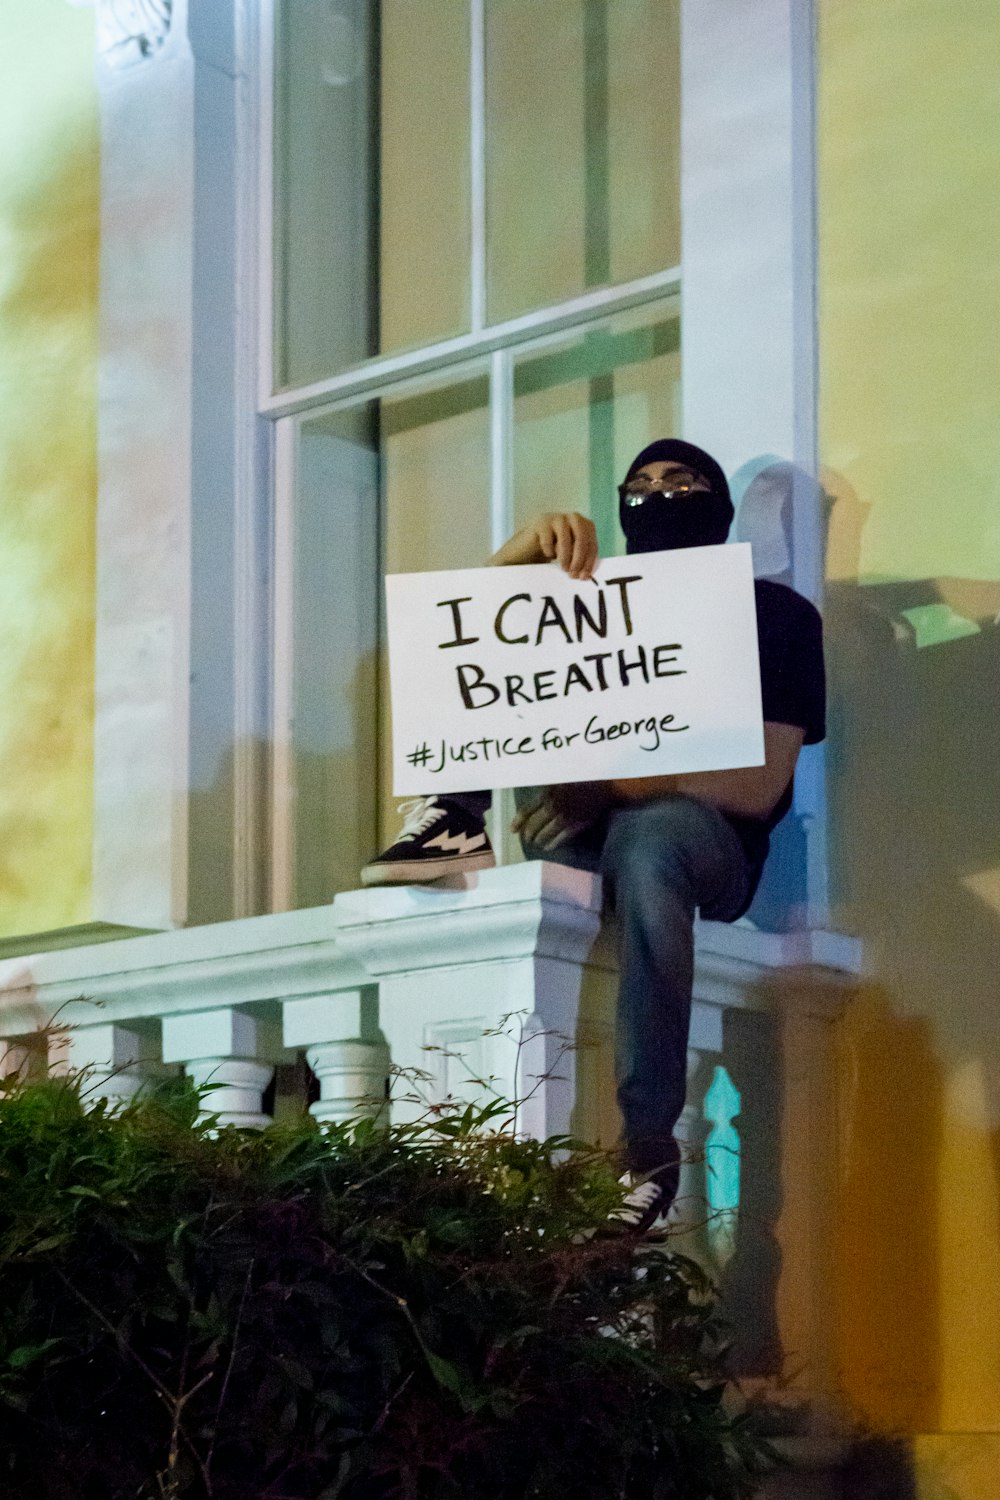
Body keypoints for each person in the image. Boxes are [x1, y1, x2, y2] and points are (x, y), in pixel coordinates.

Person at [362, 439, 826, 1233]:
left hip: (703, 846)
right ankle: (455, 815)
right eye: (639, 484)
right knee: (514, 694)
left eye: (682, 481)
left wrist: (618, 786)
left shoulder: (776, 615)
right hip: (579, 838)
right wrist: (523, 550)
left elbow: (758, 785)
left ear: (718, 506)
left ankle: (648, 1146)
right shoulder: (593, 600)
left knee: (650, 841)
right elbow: (461, 644)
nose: (658, 494)